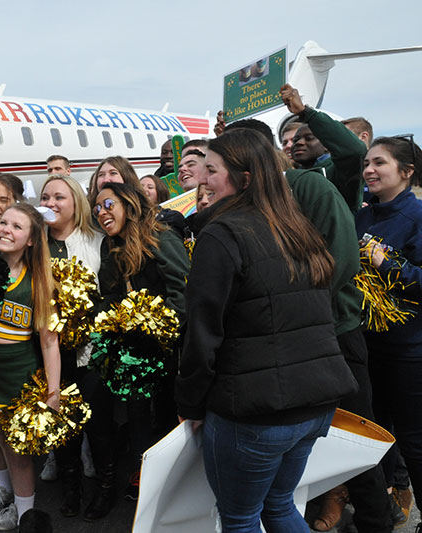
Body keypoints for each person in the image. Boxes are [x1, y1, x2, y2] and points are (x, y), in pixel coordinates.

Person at [175, 128, 358, 532]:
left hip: (256, 413)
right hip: (313, 404)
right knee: (279, 505)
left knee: (240, 518)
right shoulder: (295, 227)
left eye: (212, 170)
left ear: (244, 178)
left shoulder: (222, 235)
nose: (202, 180)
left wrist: (189, 404)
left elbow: (203, 333)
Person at [224, 117, 396, 532]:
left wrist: (289, 315)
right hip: (285, 343)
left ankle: (376, 520)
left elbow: (339, 260)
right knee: (303, 445)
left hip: (333, 334)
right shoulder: (248, 203)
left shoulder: (309, 187)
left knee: (357, 437)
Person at [91, 182, 189, 519]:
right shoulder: (110, 246)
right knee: (136, 414)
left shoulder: (159, 236)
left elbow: (183, 288)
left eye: (107, 204)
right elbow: (110, 295)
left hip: (169, 347)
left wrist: (165, 330)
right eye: (97, 208)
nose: (101, 212)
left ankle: (173, 485)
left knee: (167, 414)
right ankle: (143, 471)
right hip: (132, 349)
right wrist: (107, 316)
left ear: (129, 204)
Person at [0, 204, 61, 533]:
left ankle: (25, 520)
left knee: (18, 456)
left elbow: (50, 342)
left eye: (17, 226)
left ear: (32, 239)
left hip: (20, 379)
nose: (6, 229)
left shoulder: (38, 280)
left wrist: (53, 392)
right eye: (3, 222)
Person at [356, 135, 422, 533]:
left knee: (414, 440)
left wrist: (390, 265)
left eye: (379, 163)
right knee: (375, 434)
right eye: (366, 163)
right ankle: (384, 511)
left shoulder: (416, 218)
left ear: (406, 171)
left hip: (409, 349)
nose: (369, 170)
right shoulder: (363, 217)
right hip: (367, 346)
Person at [40, 174, 104, 517]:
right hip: (50, 352)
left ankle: (104, 488)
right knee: (60, 424)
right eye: (46, 197)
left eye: (59, 197)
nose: (51, 203)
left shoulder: (95, 242)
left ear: (75, 202)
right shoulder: (36, 244)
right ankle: (71, 487)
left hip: (89, 352)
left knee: (97, 422)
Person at [280, 83, 367, 214]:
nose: (299, 143)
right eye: (296, 140)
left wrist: (305, 113)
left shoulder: (339, 173)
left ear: (327, 146)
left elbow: (355, 151)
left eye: (309, 138)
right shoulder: (289, 177)